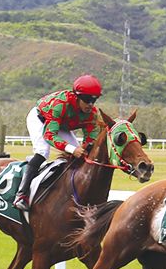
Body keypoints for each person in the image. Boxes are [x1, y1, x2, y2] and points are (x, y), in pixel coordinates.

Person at [17, 74, 105, 208]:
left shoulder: (92, 114)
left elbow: (90, 140)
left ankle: (71, 192)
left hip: (62, 125)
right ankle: (21, 195)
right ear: (77, 96)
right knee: (42, 152)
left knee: (81, 156)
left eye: (94, 100)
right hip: (40, 119)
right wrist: (72, 149)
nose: (90, 104)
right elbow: (49, 135)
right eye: (87, 99)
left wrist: (84, 148)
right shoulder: (60, 104)